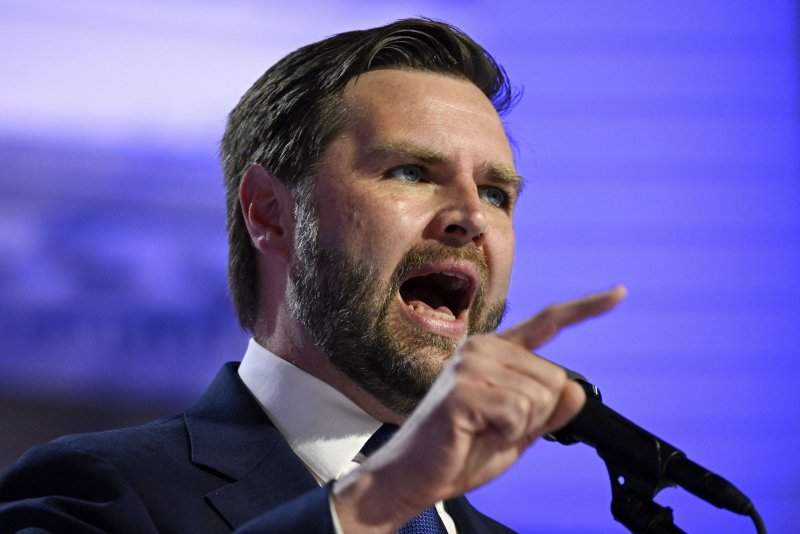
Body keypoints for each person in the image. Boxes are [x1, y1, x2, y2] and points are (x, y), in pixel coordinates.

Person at [0, 18, 625, 533]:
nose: (470, 218)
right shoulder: (98, 492)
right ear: (271, 212)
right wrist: (377, 500)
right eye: (410, 172)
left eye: (495, 193)